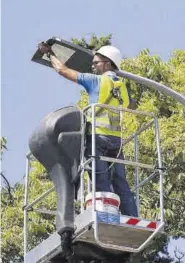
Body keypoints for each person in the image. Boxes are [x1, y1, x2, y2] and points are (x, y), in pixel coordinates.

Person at [37, 42, 138, 257]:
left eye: (96, 62)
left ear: (108, 63)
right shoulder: (121, 87)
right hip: (117, 141)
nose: (92, 66)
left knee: (100, 178)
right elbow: (130, 106)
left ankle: (104, 217)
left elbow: (63, 70)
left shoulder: (96, 82)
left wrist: (50, 54)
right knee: (121, 182)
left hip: (99, 139)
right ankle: (133, 218)